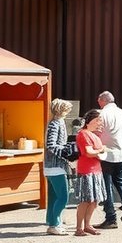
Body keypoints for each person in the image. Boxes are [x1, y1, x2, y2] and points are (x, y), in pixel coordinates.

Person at [95, 91, 122, 228]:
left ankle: (111, 218)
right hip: (121, 153)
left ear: (103, 101)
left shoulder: (102, 114)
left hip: (106, 153)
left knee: (106, 186)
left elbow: (97, 132)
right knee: (121, 181)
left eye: (99, 101)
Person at [73, 109, 109, 236]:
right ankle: (79, 228)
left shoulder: (94, 134)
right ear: (91, 121)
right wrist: (101, 150)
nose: (100, 123)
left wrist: (101, 150)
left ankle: (87, 225)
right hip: (86, 171)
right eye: (98, 120)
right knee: (86, 200)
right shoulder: (83, 134)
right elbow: (88, 152)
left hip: (96, 170)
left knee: (94, 200)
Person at [44, 99, 75, 235]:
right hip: (55, 166)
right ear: (61, 110)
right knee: (63, 197)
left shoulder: (57, 122)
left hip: (53, 166)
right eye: (66, 109)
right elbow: (51, 145)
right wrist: (65, 153)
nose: (68, 112)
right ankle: (54, 224)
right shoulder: (55, 124)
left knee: (53, 196)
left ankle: (53, 222)